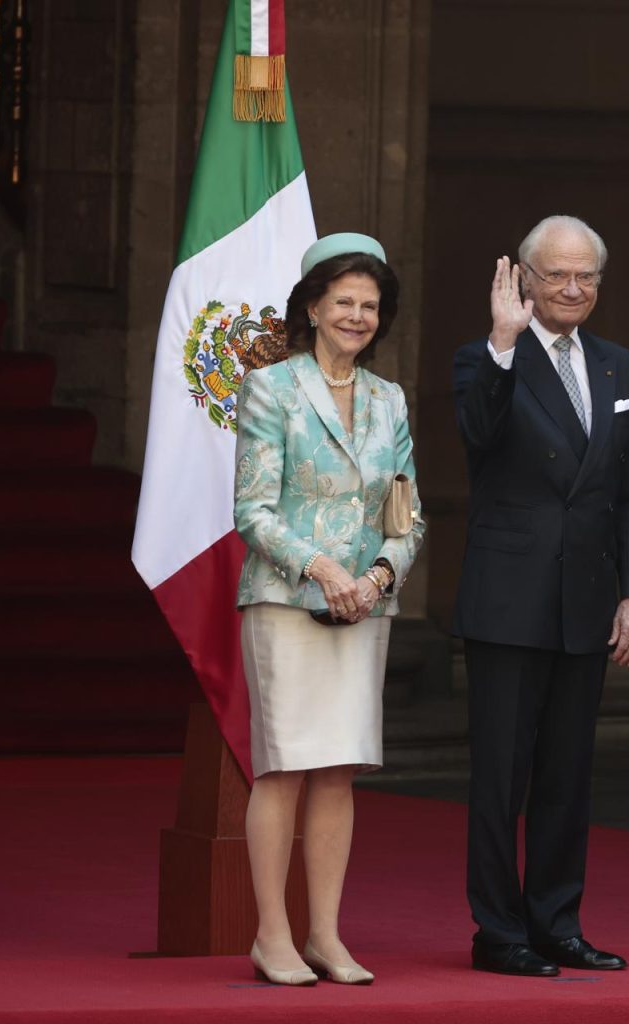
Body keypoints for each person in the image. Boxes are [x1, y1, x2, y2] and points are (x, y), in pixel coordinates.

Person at [452, 215, 629, 978]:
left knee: (568, 777)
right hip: (509, 599)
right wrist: (504, 346)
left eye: (587, 277)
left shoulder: (617, 365)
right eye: (557, 276)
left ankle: (557, 924)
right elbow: (477, 435)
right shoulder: (484, 357)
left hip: (587, 599)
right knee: (501, 778)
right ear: (524, 281)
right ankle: (498, 932)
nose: (573, 289)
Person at [233, 232, 426, 986]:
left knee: (339, 769)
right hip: (286, 600)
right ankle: (271, 937)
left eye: (369, 305)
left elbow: (406, 513)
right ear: (312, 307)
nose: (356, 316)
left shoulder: (389, 399)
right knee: (283, 769)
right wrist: (320, 570)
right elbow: (252, 510)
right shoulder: (271, 388)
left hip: (364, 607)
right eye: (342, 301)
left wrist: (378, 576)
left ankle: (325, 935)